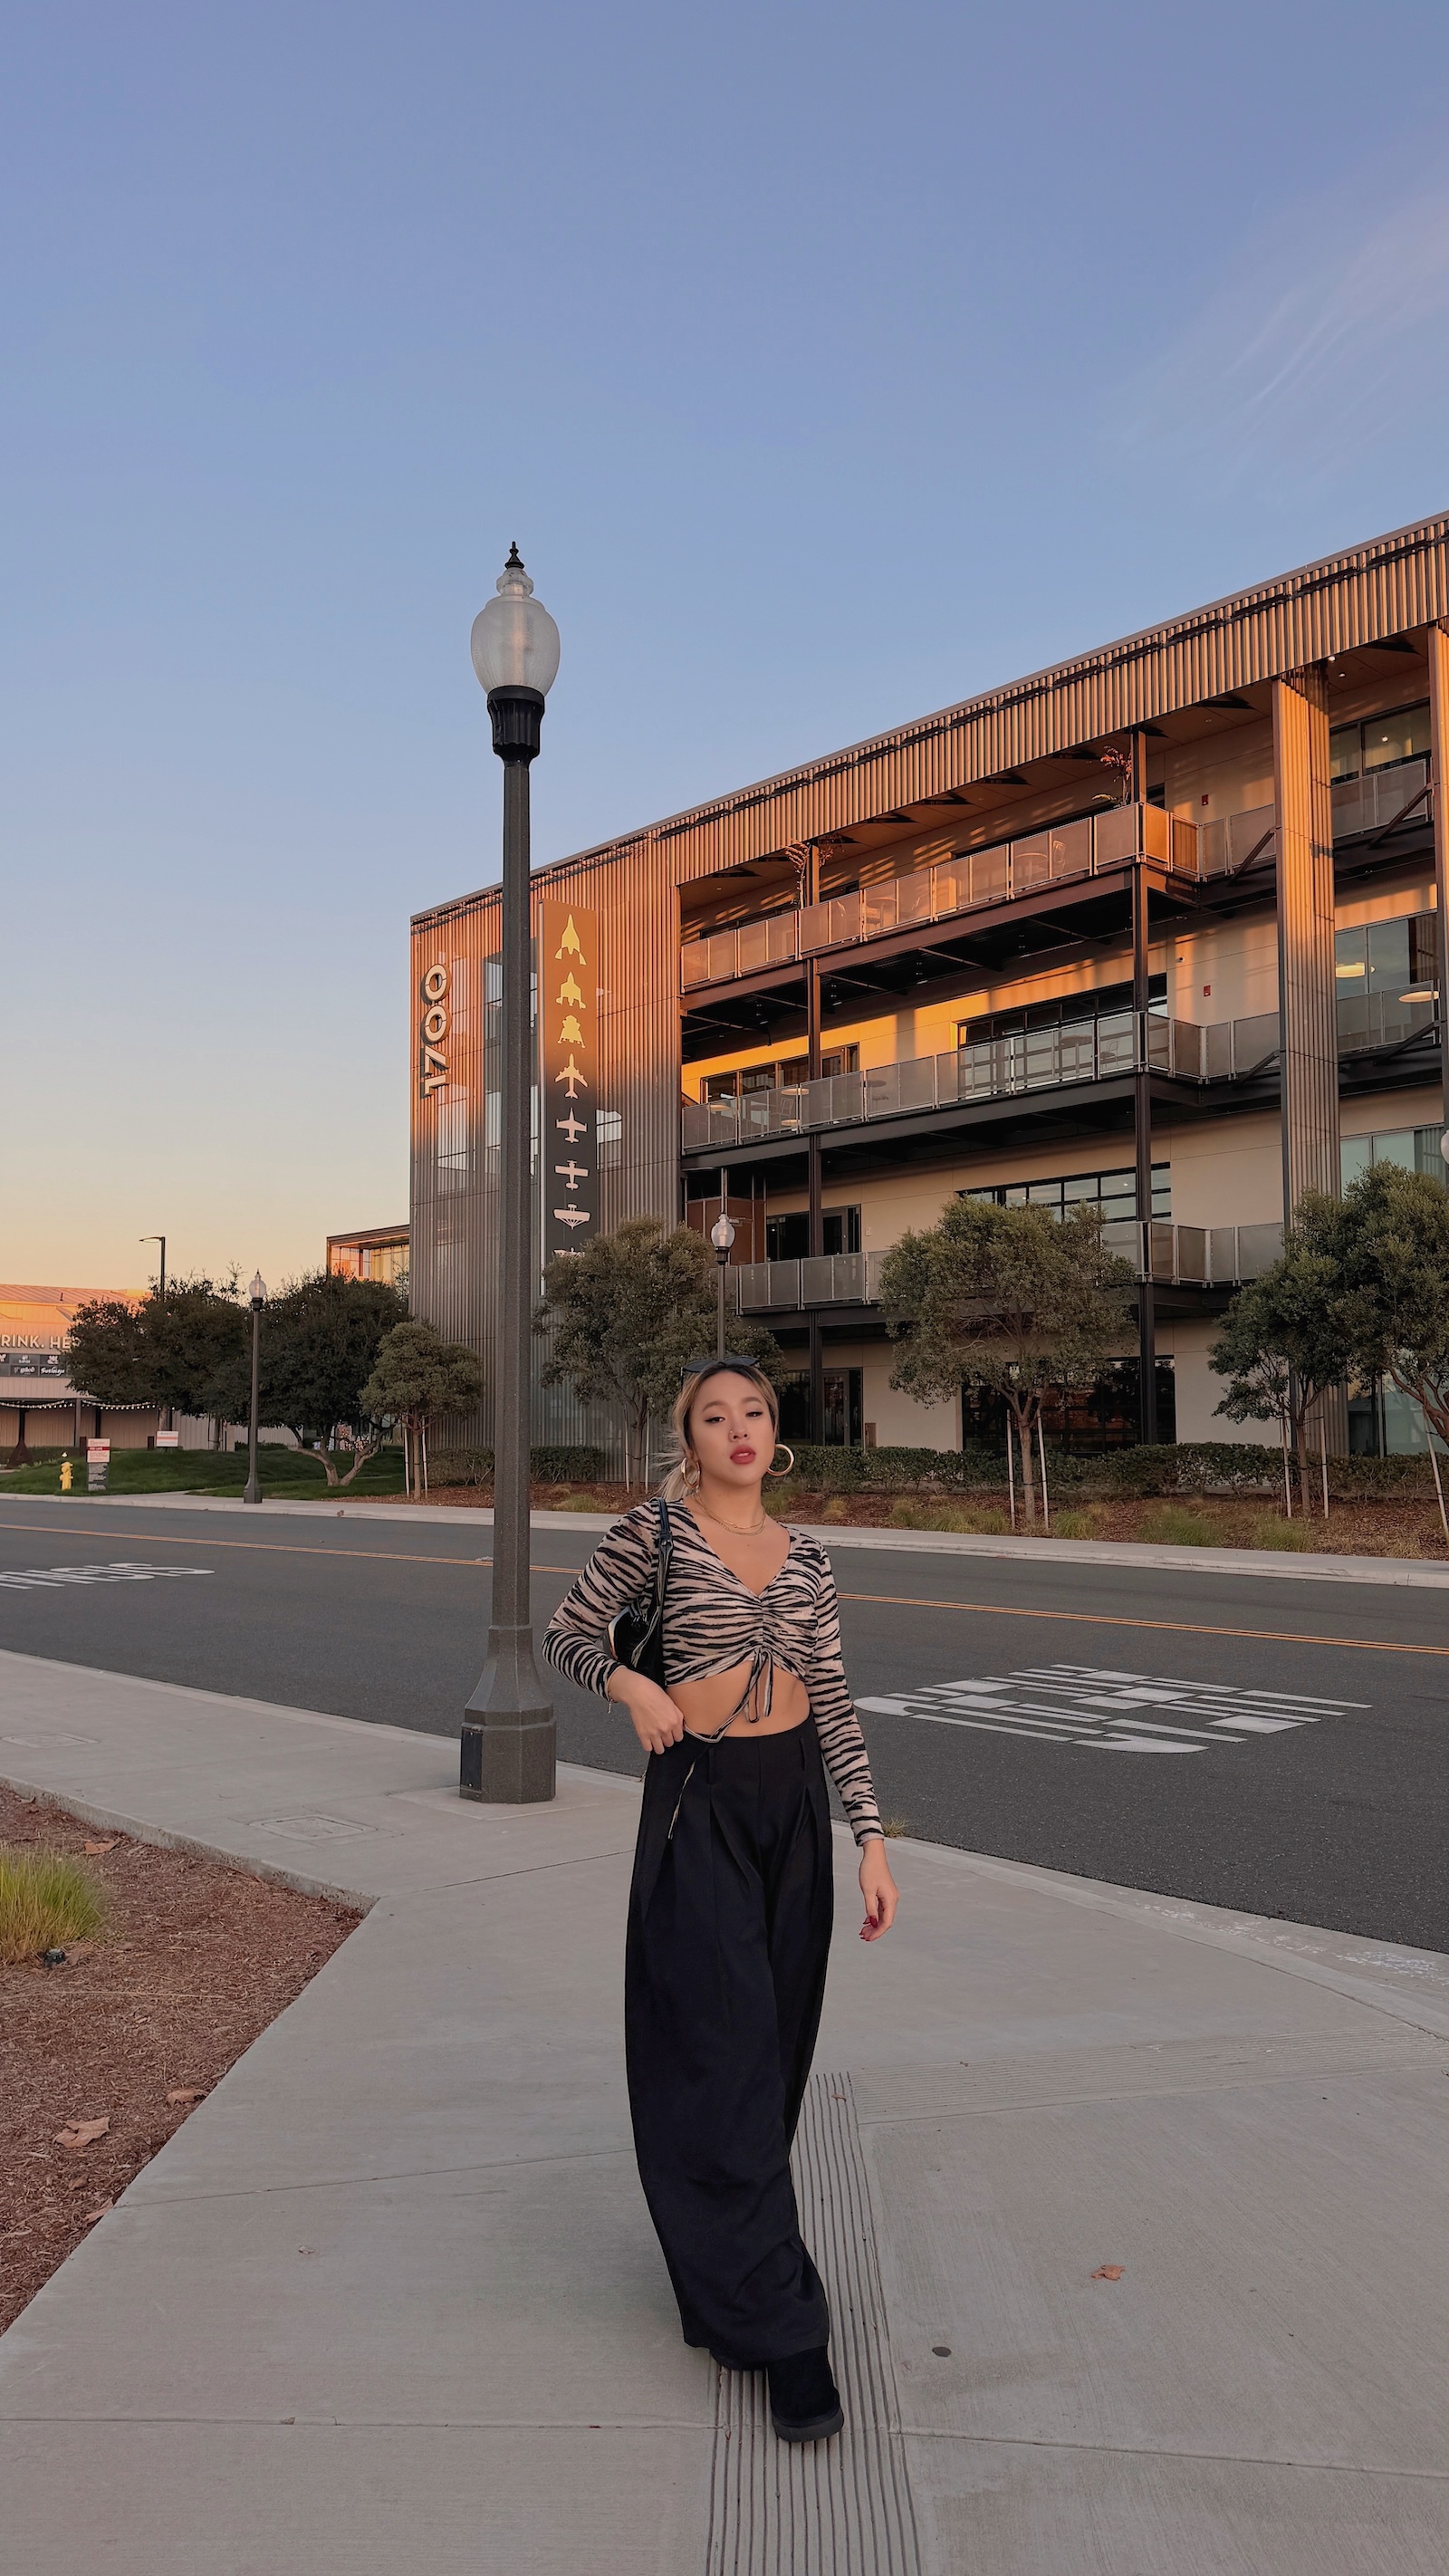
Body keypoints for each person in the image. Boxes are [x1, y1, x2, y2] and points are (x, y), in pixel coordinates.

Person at [542, 1358, 897, 2444]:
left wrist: (870, 1839)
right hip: (697, 1802)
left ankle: (725, 2277)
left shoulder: (809, 1556)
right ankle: (786, 2333)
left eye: (752, 1411)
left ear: (773, 1433)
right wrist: (630, 1682)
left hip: (792, 1810)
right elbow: (565, 1634)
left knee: (771, 2060)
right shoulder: (651, 1535)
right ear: (687, 1440)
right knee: (724, 2059)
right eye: (713, 1416)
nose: (737, 1428)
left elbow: (833, 1699)